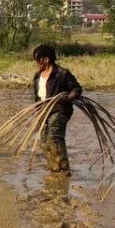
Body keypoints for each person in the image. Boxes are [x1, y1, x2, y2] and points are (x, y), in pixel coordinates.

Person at [30, 44, 83, 173]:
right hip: (43, 111)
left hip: (59, 110)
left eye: (38, 60)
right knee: (43, 141)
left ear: (46, 59)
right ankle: (54, 168)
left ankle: (64, 170)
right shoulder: (38, 76)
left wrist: (67, 98)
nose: (36, 63)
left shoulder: (62, 73)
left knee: (54, 137)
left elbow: (76, 89)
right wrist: (38, 113)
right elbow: (37, 97)